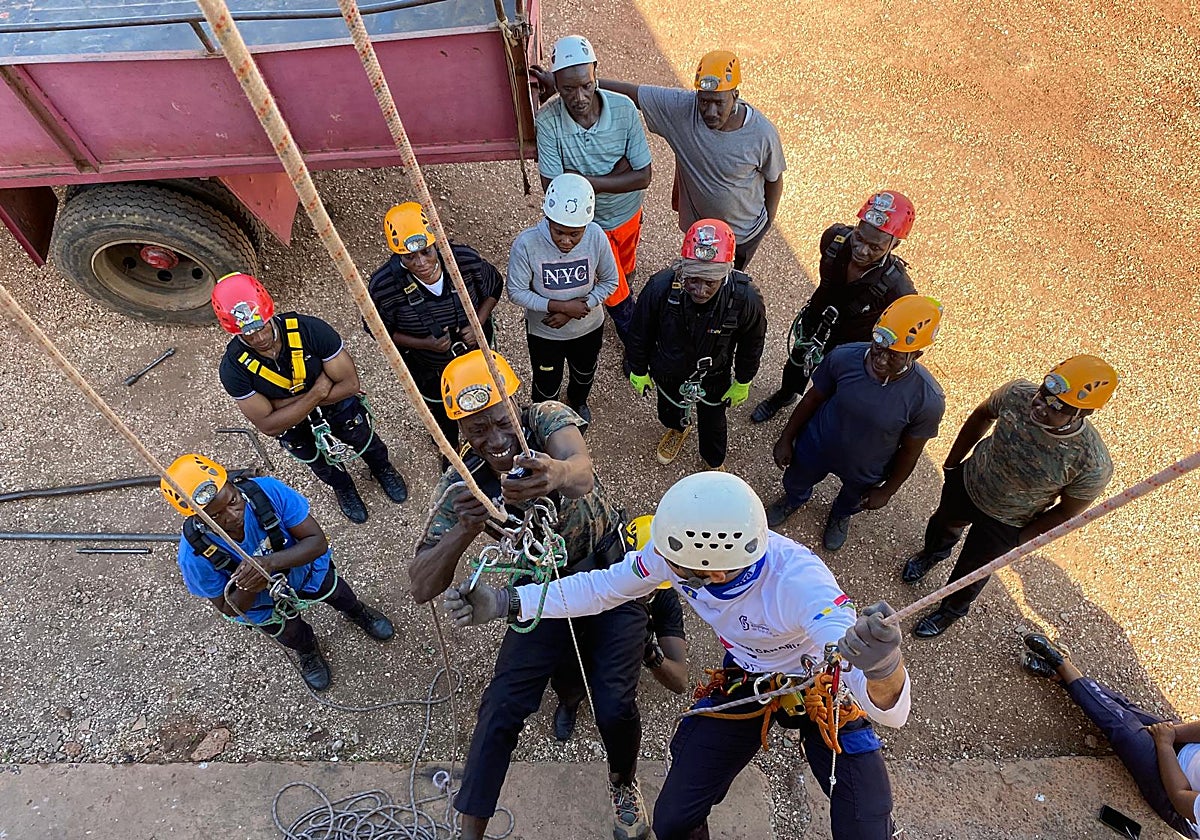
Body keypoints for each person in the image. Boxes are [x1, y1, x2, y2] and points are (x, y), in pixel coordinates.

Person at [446, 471, 911, 840]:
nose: (679, 579)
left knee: (866, 827)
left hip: (818, 688)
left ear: (716, 568)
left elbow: (890, 709)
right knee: (671, 821)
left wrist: (883, 668)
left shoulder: (799, 583)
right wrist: (513, 602)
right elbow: (605, 587)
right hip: (747, 680)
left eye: (690, 574)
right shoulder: (679, 557)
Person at [409, 349, 651, 840]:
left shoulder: (544, 419)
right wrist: (463, 528)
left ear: (515, 404)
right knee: (501, 705)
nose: (496, 441)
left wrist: (555, 474)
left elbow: (580, 469)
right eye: (477, 431)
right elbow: (420, 584)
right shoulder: (463, 481)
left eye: (500, 422)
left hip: (605, 566)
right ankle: (469, 831)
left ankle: (623, 780)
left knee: (615, 705)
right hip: (539, 579)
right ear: (461, 433)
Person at [902, 354, 1118, 637]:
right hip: (970, 482)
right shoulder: (1017, 394)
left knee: (973, 572)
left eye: (1057, 406)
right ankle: (933, 553)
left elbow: (1067, 512)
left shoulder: (1091, 463)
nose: (1041, 406)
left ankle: (949, 611)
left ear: (1083, 413)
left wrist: (1020, 540)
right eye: (1044, 393)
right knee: (942, 523)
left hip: (1008, 521)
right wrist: (952, 464)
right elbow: (982, 415)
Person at [161, 453, 394, 692]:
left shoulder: (266, 493)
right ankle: (307, 649)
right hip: (262, 602)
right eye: (215, 516)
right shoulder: (195, 556)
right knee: (290, 632)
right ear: (198, 520)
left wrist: (269, 563)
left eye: (232, 501)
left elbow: (316, 542)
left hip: (302, 569)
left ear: (233, 484)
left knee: (336, 591)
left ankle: (357, 612)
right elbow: (228, 607)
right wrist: (248, 585)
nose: (232, 517)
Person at [212, 272, 408, 524]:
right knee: (318, 462)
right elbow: (269, 426)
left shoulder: (309, 330)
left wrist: (281, 405)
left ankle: (381, 467)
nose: (259, 338)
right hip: (301, 424)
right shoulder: (233, 368)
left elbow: (349, 385)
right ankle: (343, 486)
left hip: (338, 407)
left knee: (364, 439)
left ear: (269, 314)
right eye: (249, 334)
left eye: (261, 327)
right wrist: (317, 391)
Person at [767, 295, 946, 551]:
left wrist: (887, 491)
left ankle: (840, 515)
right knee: (797, 478)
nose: (881, 359)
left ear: (916, 354)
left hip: (867, 466)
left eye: (894, 356)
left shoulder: (927, 400)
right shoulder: (843, 357)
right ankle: (794, 499)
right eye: (878, 347)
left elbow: (910, 451)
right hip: (818, 444)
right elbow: (813, 398)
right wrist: (786, 438)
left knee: (853, 499)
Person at [597, 49, 785, 271]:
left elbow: (774, 179)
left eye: (718, 102)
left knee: (728, 280)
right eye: (704, 101)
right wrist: (586, 83)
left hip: (742, 235)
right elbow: (634, 94)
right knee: (696, 278)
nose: (710, 111)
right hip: (698, 231)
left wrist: (766, 224)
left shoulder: (762, 134)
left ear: (735, 95)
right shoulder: (683, 109)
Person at [751, 191, 919, 424]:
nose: (861, 250)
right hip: (816, 320)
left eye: (875, 247)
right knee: (796, 364)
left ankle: (813, 416)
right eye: (859, 237)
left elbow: (908, 334)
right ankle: (786, 395)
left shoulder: (898, 288)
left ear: (895, 245)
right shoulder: (835, 239)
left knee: (833, 383)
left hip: (851, 343)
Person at [533, 35, 653, 348]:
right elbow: (554, 190)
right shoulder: (548, 121)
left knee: (626, 267)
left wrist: (583, 180)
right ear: (556, 83)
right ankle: (635, 343)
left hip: (629, 213)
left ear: (595, 72)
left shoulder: (624, 109)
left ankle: (627, 297)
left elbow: (643, 176)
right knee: (616, 293)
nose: (580, 97)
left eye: (585, 84)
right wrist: (617, 174)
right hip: (590, 226)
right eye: (568, 88)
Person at [1020, 632, 1199, 837]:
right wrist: (1171, 733)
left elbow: (1180, 796)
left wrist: (1165, 745)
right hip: (1190, 748)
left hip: (1179, 804)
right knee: (1128, 713)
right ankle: (1062, 677)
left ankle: (1062, 666)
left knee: (1127, 733)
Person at [626, 218, 767, 467]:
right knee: (669, 411)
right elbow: (640, 331)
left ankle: (713, 461)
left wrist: (744, 380)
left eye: (709, 282)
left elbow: (752, 342)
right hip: (669, 369)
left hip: (714, 374)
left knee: (713, 421)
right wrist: (638, 369)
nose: (700, 290)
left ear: (725, 273)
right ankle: (678, 429)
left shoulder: (745, 299)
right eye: (693, 279)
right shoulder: (660, 287)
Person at [367, 201, 502, 452]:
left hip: (476, 352)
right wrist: (424, 344)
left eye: (426, 252)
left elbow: (494, 286)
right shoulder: (383, 287)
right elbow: (378, 330)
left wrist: (478, 321)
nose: (420, 263)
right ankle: (449, 449)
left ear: (436, 244)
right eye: (409, 257)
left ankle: (486, 443)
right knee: (441, 409)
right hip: (428, 364)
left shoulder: (464, 261)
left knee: (485, 397)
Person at [550, 516, 690, 741]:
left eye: (652, 584)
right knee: (569, 675)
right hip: (581, 640)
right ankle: (569, 702)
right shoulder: (601, 572)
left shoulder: (664, 598)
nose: (644, 590)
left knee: (614, 694)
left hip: (622, 653)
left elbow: (680, 682)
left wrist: (649, 652)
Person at [506, 173, 620, 424]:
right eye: (559, 232)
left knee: (584, 372)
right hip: (546, 333)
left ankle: (578, 402)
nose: (566, 241)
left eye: (575, 234)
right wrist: (559, 306)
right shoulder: (527, 244)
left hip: (588, 328)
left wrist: (574, 309)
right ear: (547, 218)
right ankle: (545, 418)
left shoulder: (596, 236)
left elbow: (611, 281)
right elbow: (515, 291)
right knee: (546, 383)